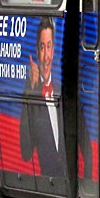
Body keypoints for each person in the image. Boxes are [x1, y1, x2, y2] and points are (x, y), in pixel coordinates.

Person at [20, 16, 65, 177]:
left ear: (54, 51)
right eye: (42, 48)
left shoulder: (65, 90)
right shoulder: (32, 92)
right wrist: (29, 92)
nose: (46, 57)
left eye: (49, 47)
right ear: (37, 52)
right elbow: (25, 151)